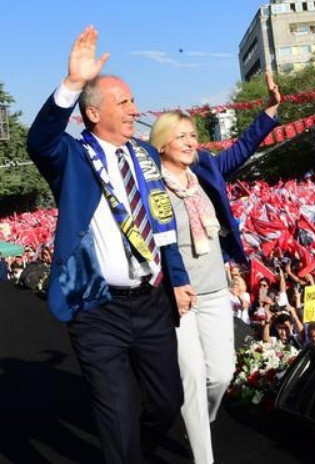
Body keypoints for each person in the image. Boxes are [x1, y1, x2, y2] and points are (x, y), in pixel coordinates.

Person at [26, 26, 192, 463]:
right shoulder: (72, 157)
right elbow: (38, 140)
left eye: (134, 100)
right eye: (125, 102)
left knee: (165, 404)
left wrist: (176, 279)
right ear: (95, 114)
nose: (137, 110)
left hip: (153, 303)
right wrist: (72, 84)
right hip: (98, 310)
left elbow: (163, 227)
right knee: (116, 416)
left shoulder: (147, 157)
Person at [148, 71, 280, 464]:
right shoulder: (150, 182)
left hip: (214, 291)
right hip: (177, 297)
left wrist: (269, 112)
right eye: (182, 136)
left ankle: (198, 424)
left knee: (221, 373)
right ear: (162, 142)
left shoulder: (205, 171)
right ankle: (202, 455)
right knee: (190, 378)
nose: (191, 142)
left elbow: (239, 153)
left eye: (193, 135)